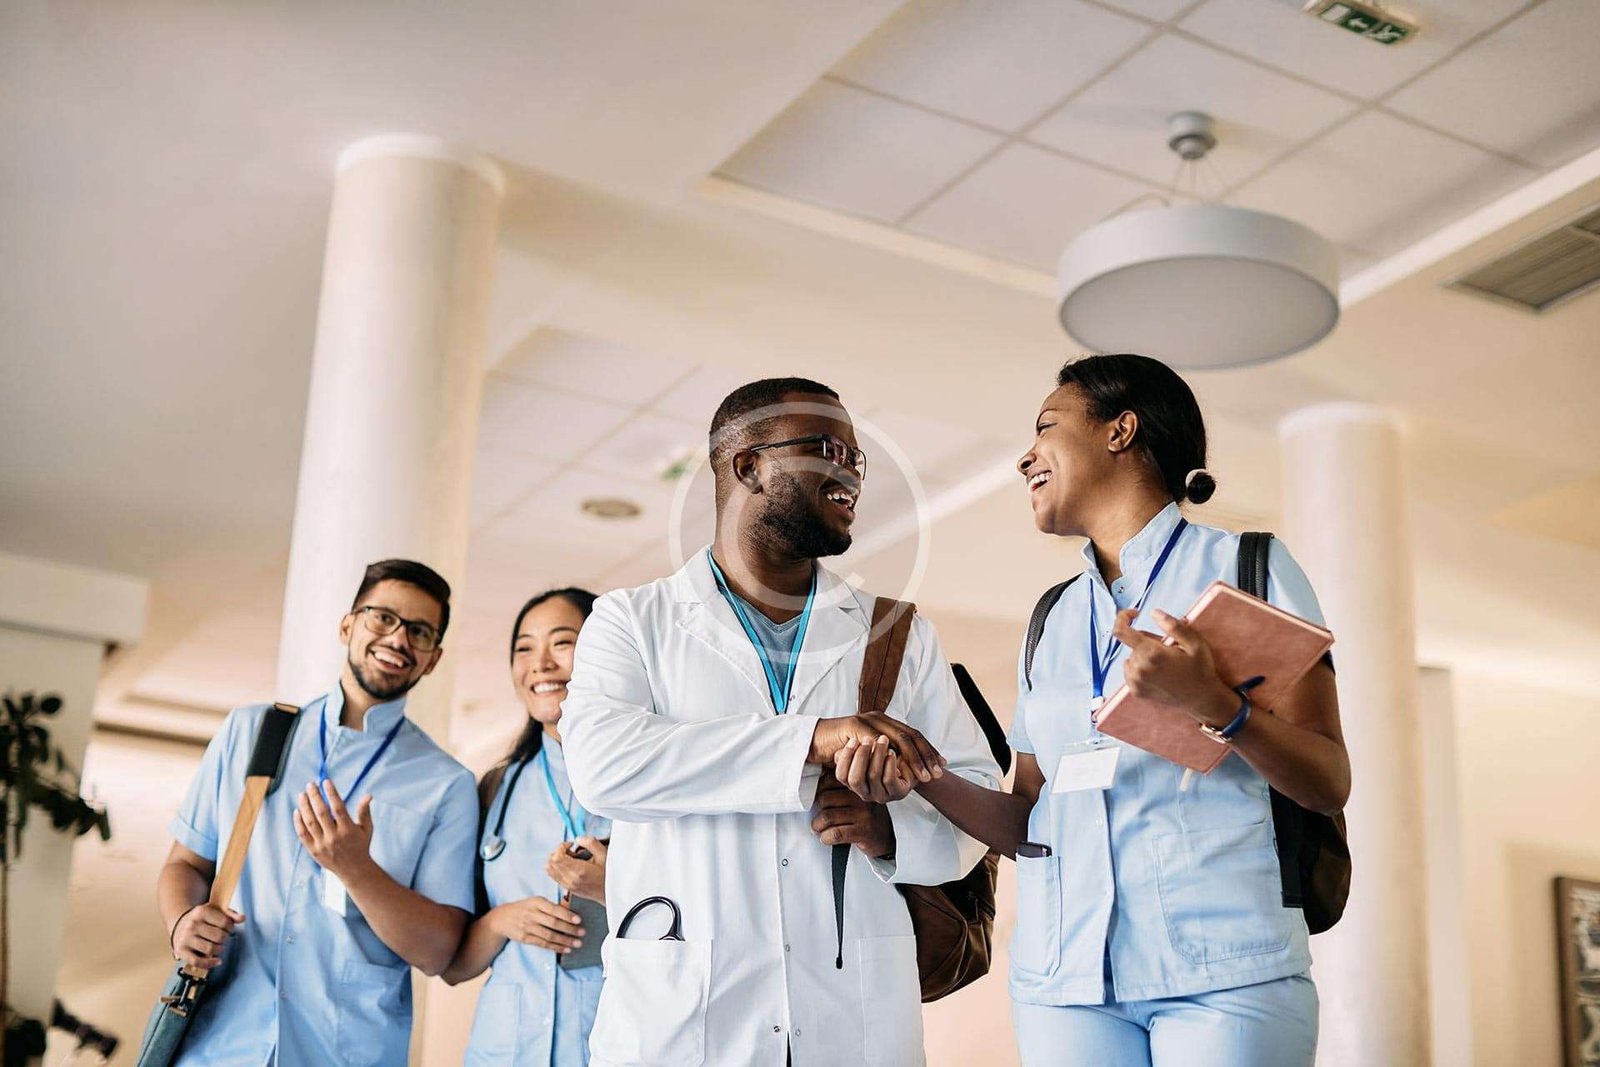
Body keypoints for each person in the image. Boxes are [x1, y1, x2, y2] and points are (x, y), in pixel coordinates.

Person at [850, 354, 1350, 1066]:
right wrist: (925, 774)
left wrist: (1216, 705)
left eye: (1047, 427)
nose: (1025, 457)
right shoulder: (1053, 616)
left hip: (1223, 975)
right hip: (1064, 982)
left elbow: (1328, 778)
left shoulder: (1250, 567)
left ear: (1121, 431)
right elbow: (1030, 817)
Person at [561, 377, 1001, 1067]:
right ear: (749, 464)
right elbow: (604, 768)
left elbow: (975, 800)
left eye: (860, 458)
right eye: (831, 449)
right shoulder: (632, 621)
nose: (853, 471)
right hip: (684, 1021)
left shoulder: (897, 633)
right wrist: (812, 739)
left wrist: (890, 831)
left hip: (851, 1020)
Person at [158, 559, 479, 1066]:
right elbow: (186, 865)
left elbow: (439, 951)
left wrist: (357, 869)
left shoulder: (447, 784)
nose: (398, 639)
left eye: (419, 632)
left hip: (345, 1050)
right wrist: (181, 922)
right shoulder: (252, 732)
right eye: (383, 618)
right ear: (348, 625)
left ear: (433, 659)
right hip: (221, 1042)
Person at [444, 587, 612, 1066]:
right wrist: (502, 920)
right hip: (503, 1051)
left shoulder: (652, 773)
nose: (539, 663)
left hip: (607, 1047)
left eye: (562, 642)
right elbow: (454, 966)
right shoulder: (494, 788)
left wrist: (613, 888)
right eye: (524, 648)